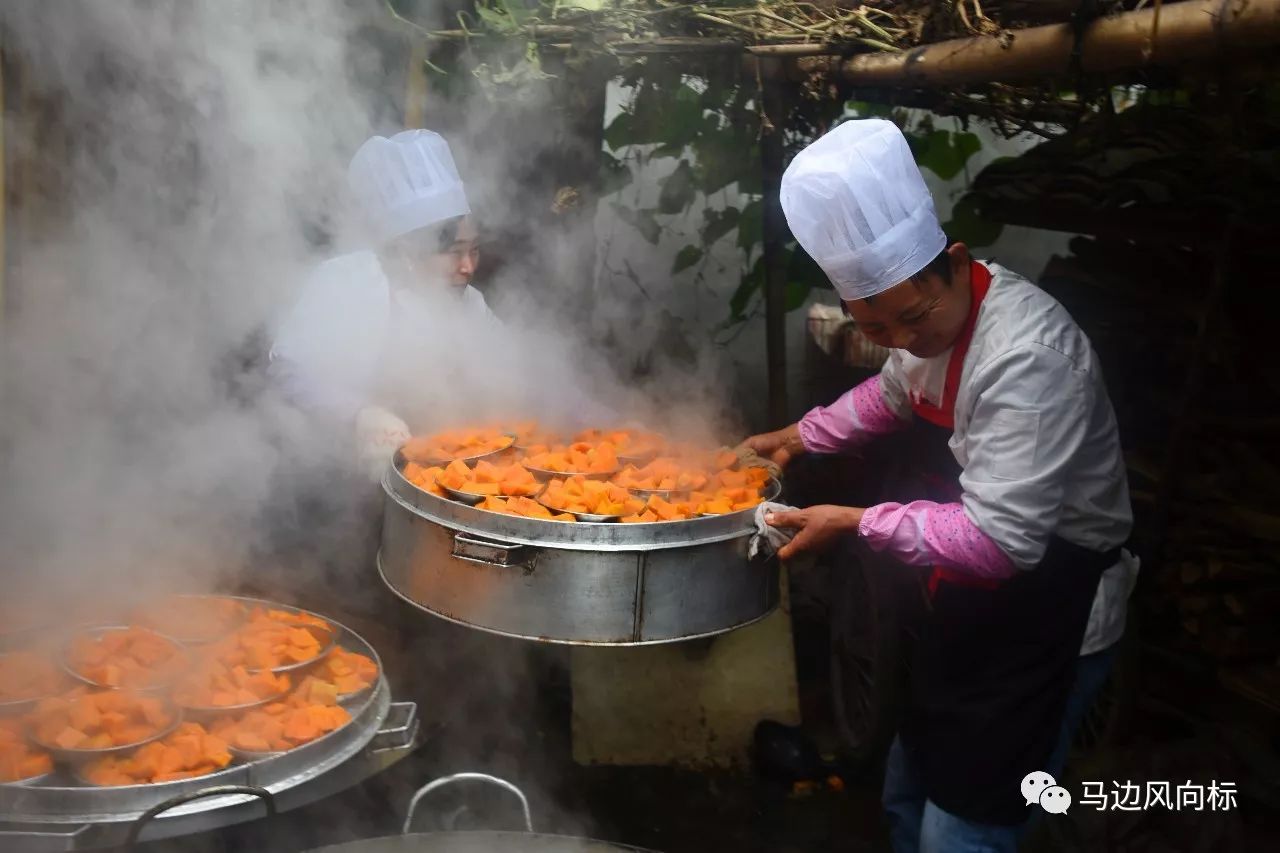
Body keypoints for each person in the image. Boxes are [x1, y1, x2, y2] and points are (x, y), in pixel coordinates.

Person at [743, 119, 1139, 852]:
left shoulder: (1027, 358)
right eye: (877, 326)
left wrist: (857, 522)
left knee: (969, 819)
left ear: (954, 262)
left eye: (914, 316)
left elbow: (998, 541)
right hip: (968, 598)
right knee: (913, 768)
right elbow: (892, 393)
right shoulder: (919, 329)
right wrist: (798, 438)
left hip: (1050, 603)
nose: (903, 339)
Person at [270, 129, 501, 481]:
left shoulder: (468, 304)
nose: (468, 266)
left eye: (474, 250)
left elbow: (522, 372)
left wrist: (605, 420)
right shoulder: (347, 281)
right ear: (409, 248)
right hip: (331, 479)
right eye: (454, 253)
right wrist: (360, 415)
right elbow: (289, 371)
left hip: (433, 479)